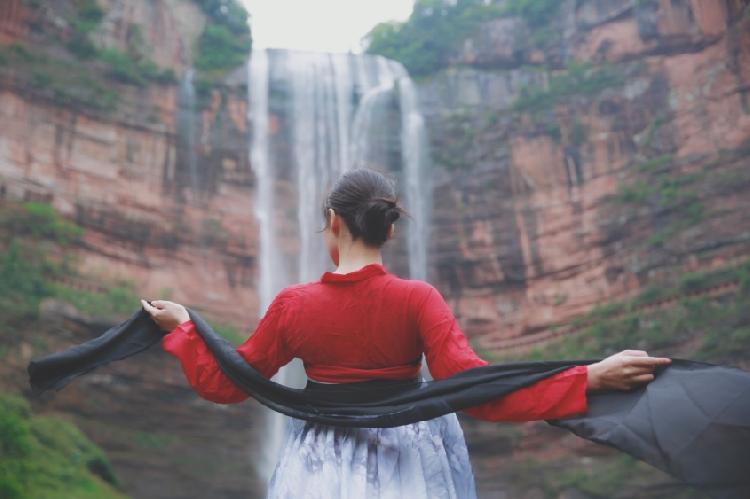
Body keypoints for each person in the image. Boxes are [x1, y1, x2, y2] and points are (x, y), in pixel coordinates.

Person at [141, 168, 671, 498]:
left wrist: (185, 328)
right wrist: (590, 377)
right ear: (389, 228)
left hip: (323, 461)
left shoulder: (293, 305)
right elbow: (479, 392)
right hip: (417, 458)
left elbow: (225, 384)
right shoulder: (419, 299)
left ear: (331, 221)